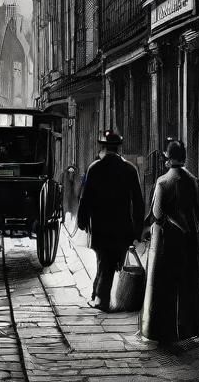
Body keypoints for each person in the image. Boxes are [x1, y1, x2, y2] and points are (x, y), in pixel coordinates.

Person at [140, 139, 199, 344]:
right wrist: (193, 228)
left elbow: (157, 214)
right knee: (188, 285)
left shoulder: (162, 182)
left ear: (168, 159)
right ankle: (188, 329)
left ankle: (164, 330)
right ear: (184, 158)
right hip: (189, 243)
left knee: (165, 286)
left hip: (167, 244)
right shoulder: (195, 181)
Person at [77, 128, 144, 311]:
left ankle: (101, 298)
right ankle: (101, 296)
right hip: (122, 227)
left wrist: (82, 220)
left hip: (100, 227)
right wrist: (137, 230)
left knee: (104, 261)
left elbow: (85, 198)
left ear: (104, 148)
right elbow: (138, 202)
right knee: (112, 262)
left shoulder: (94, 168)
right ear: (118, 148)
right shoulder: (130, 169)